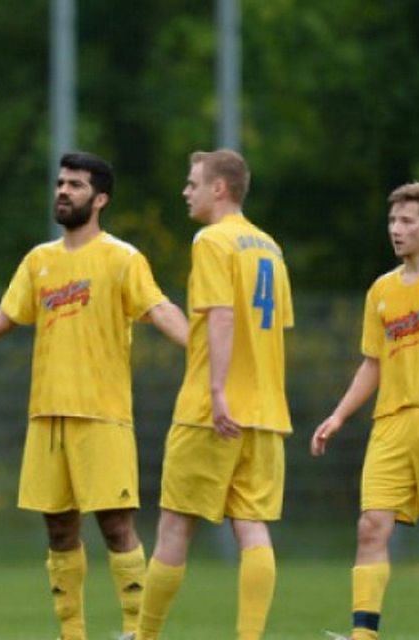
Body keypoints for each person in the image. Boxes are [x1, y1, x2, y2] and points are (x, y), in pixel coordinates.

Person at [0, 151, 189, 640]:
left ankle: (139, 632)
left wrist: (204, 352)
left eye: (75, 185)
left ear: (100, 199)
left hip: (102, 414)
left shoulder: (123, 258)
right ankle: (71, 633)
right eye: (60, 182)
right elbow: (2, 318)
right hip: (46, 415)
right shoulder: (39, 261)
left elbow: (159, 309)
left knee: (117, 526)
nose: (62, 191)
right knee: (58, 530)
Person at [311, 182, 419, 640]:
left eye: (407, 221)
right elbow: (372, 363)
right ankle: (363, 635)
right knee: (371, 526)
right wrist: (339, 415)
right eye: (392, 220)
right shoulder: (381, 291)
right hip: (391, 423)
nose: (396, 229)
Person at [135, 149, 294, 640]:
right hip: (266, 410)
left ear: (219, 189)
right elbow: (276, 328)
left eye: (193, 184)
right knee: (251, 526)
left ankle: (145, 635)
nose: (186, 192)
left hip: (212, 409)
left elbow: (221, 315)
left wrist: (218, 389)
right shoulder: (270, 247)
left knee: (175, 525)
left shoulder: (211, 241)